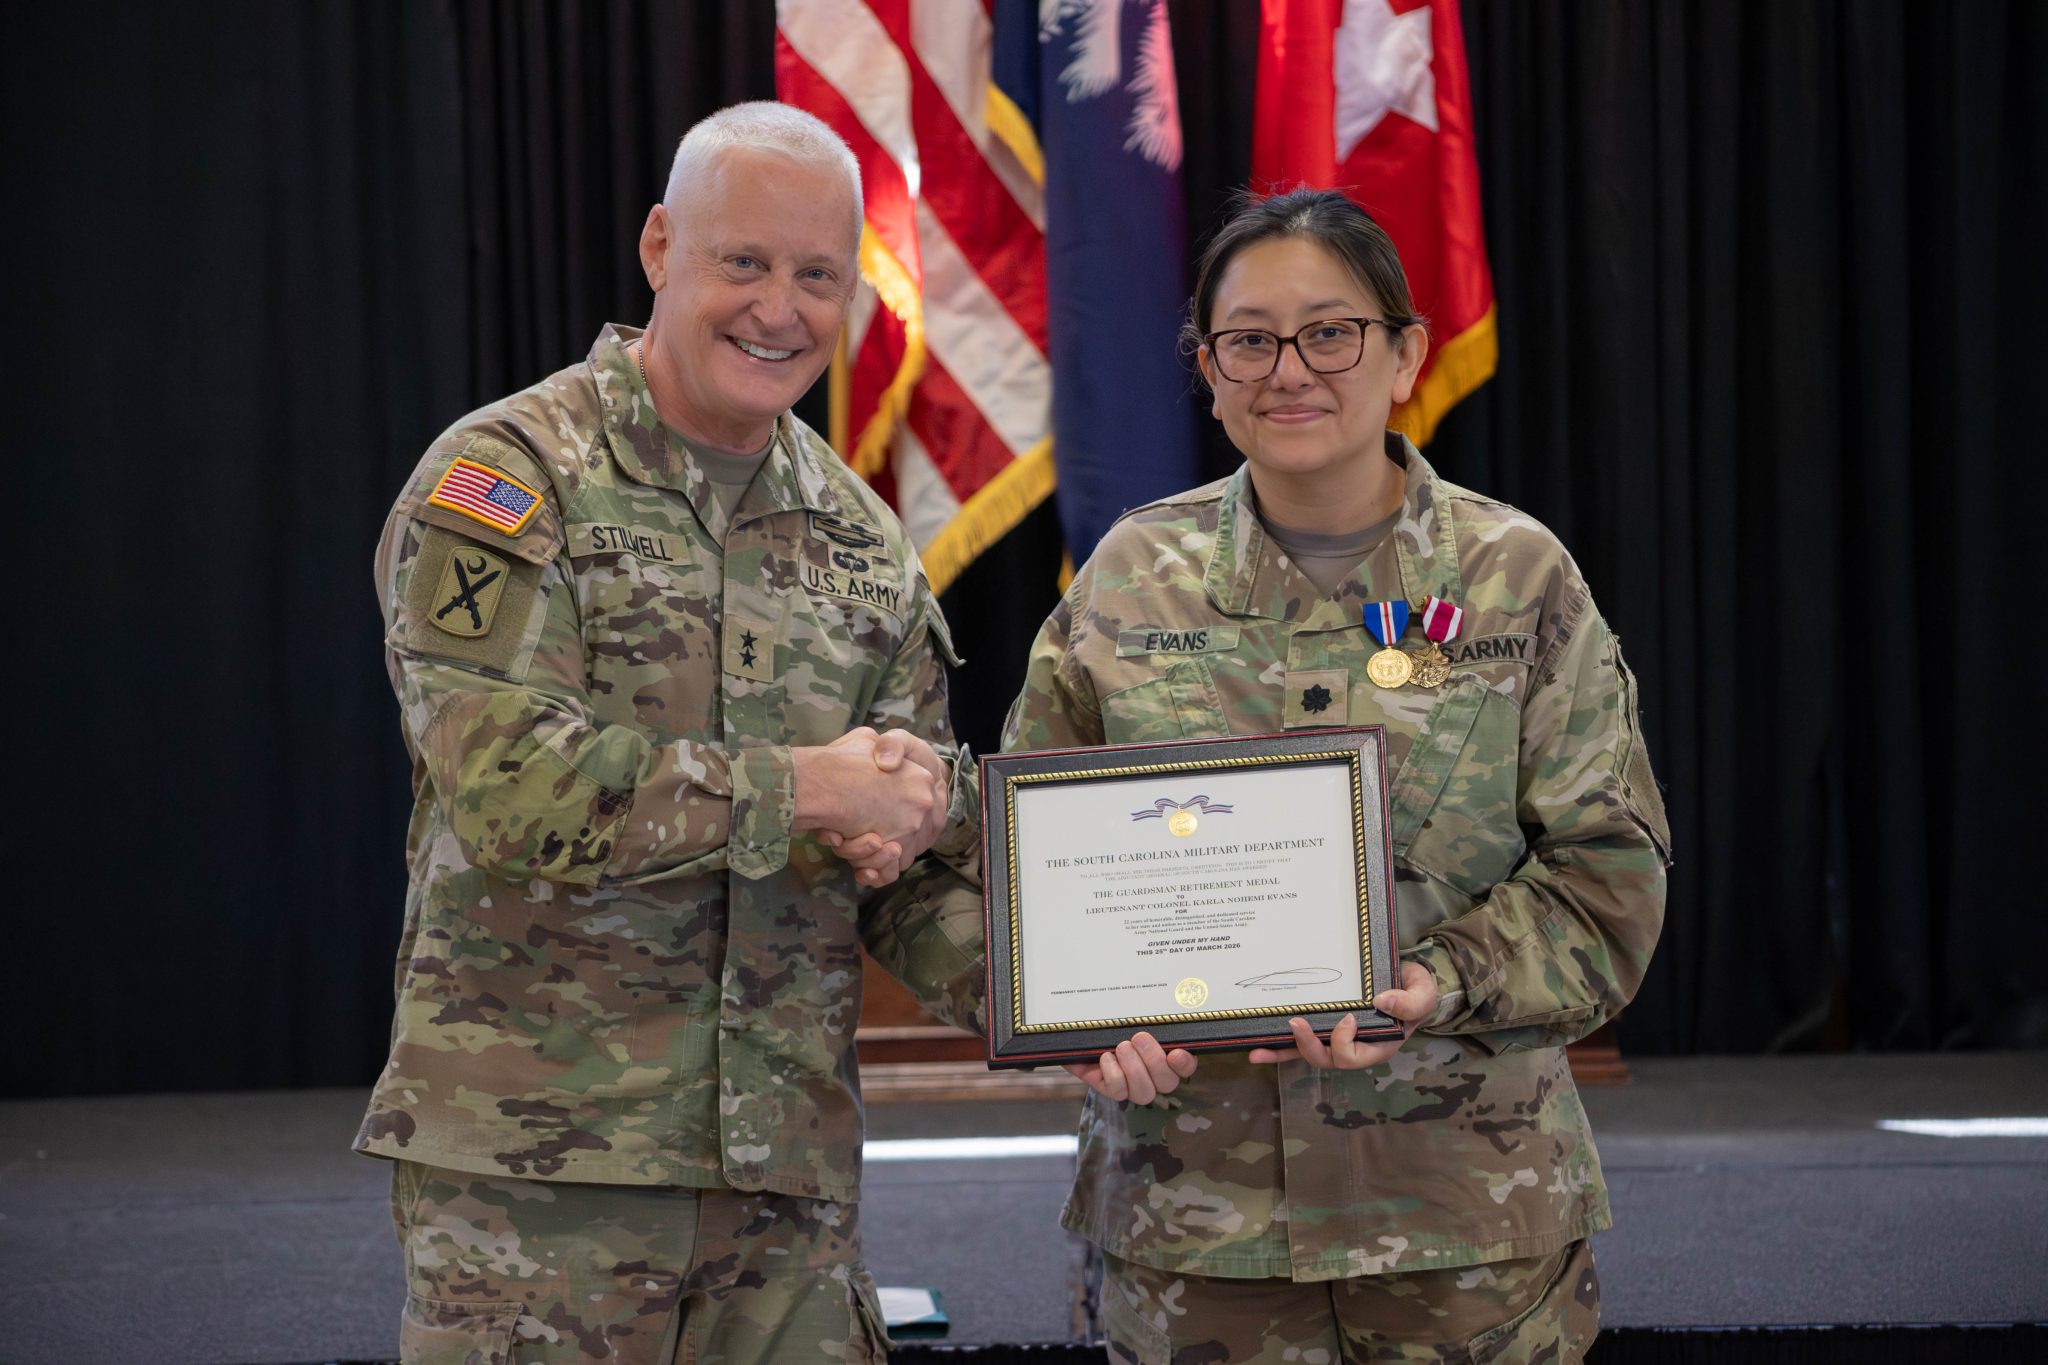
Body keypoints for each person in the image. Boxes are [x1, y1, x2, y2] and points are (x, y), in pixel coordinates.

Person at [355, 102, 984, 1363]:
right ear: (658, 246)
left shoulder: (860, 538)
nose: (778, 310)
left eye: (817, 276)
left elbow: (903, 867)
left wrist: (1083, 1006)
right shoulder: (509, 478)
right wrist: (808, 789)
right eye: (742, 261)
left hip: (785, 1198)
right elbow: (513, 787)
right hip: (544, 1185)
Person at [1002, 189, 1671, 1363]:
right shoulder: (1127, 578)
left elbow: (1609, 878)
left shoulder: (1517, 578)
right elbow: (1020, 871)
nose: (1287, 371)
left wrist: (1435, 982)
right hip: (1192, 1227)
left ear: (1404, 354)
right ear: (1208, 372)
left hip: (1462, 1224)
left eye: (1329, 333)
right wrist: (1080, 1020)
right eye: (1247, 341)